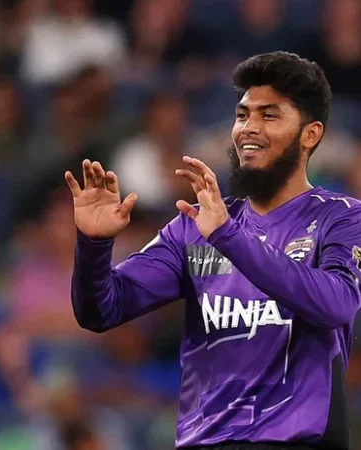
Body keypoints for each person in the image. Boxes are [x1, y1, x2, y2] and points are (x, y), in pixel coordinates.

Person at [66, 51, 361, 449]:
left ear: (310, 134)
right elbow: (101, 311)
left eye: (269, 115)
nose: (248, 128)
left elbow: (338, 304)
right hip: (206, 442)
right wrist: (94, 245)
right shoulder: (194, 226)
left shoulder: (341, 217)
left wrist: (228, 236)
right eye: (242, 115)